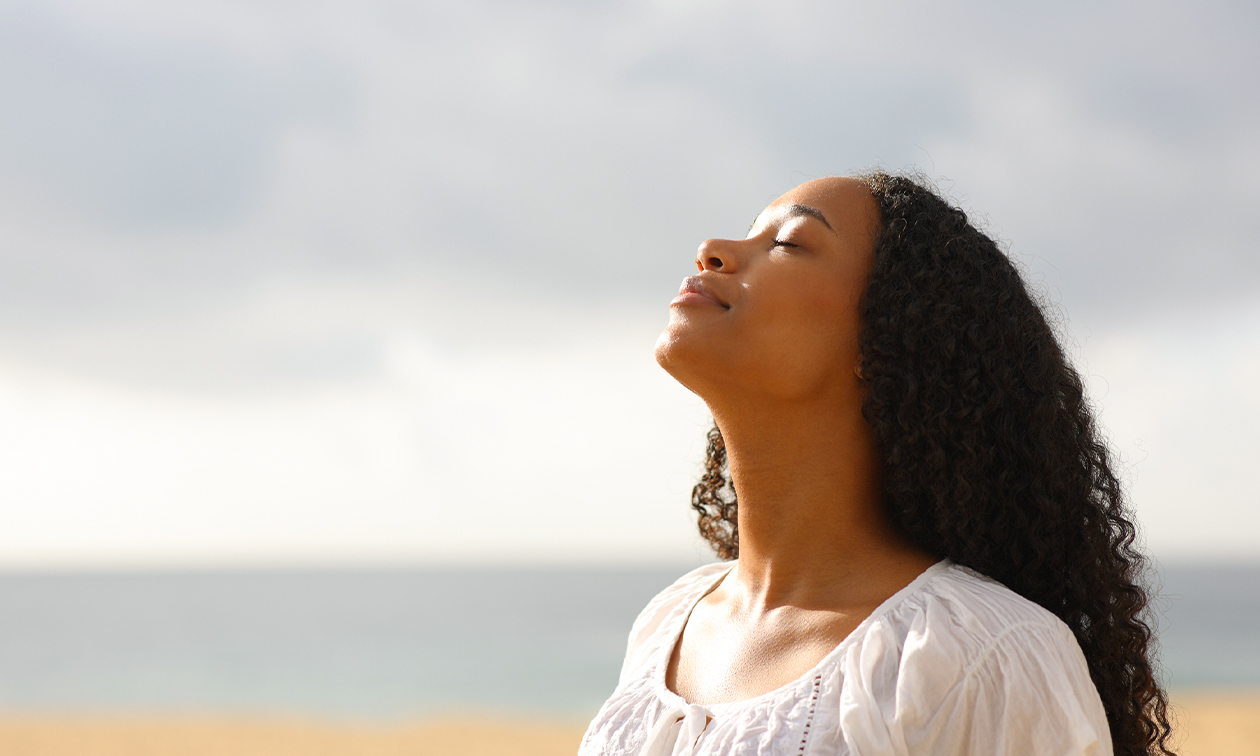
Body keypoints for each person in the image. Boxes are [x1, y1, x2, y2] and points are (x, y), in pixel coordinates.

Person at [578, 172, 1174, 756]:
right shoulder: (668, 623)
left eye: (788, 242)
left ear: (886, 339)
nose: (712, 249)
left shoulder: (983, 653)